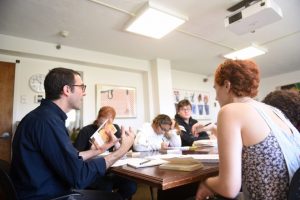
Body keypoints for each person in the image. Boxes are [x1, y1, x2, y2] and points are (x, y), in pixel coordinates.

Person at [10, 67, 135, 200]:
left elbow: (66, 158)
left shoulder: (43, 117)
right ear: (67, 90)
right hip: (47, 196)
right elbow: (79, 176)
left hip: (40, 191)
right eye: (82, 87)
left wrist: (96, 151)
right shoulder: (47, 122)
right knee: (114, 198)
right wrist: (122, 150)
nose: (84, 93)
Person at [195, 59, 300, 200]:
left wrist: (205, 183)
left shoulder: (230, 110)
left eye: (215, 88)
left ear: (227, 85)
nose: (215, 97)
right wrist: (214, 129)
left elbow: (228, 188)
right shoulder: (273, 110)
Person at [74, 106, 137, 199]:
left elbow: (120, 151)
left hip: (111, 170)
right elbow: (76, 157)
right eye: (101, 123)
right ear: (98, 118)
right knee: (106, 185)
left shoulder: (115, 128)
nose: (104, 127)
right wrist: (92, 150)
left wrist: (115, 142)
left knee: (131, 185)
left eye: (108, 124)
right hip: (93, 171)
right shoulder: (86, 130)